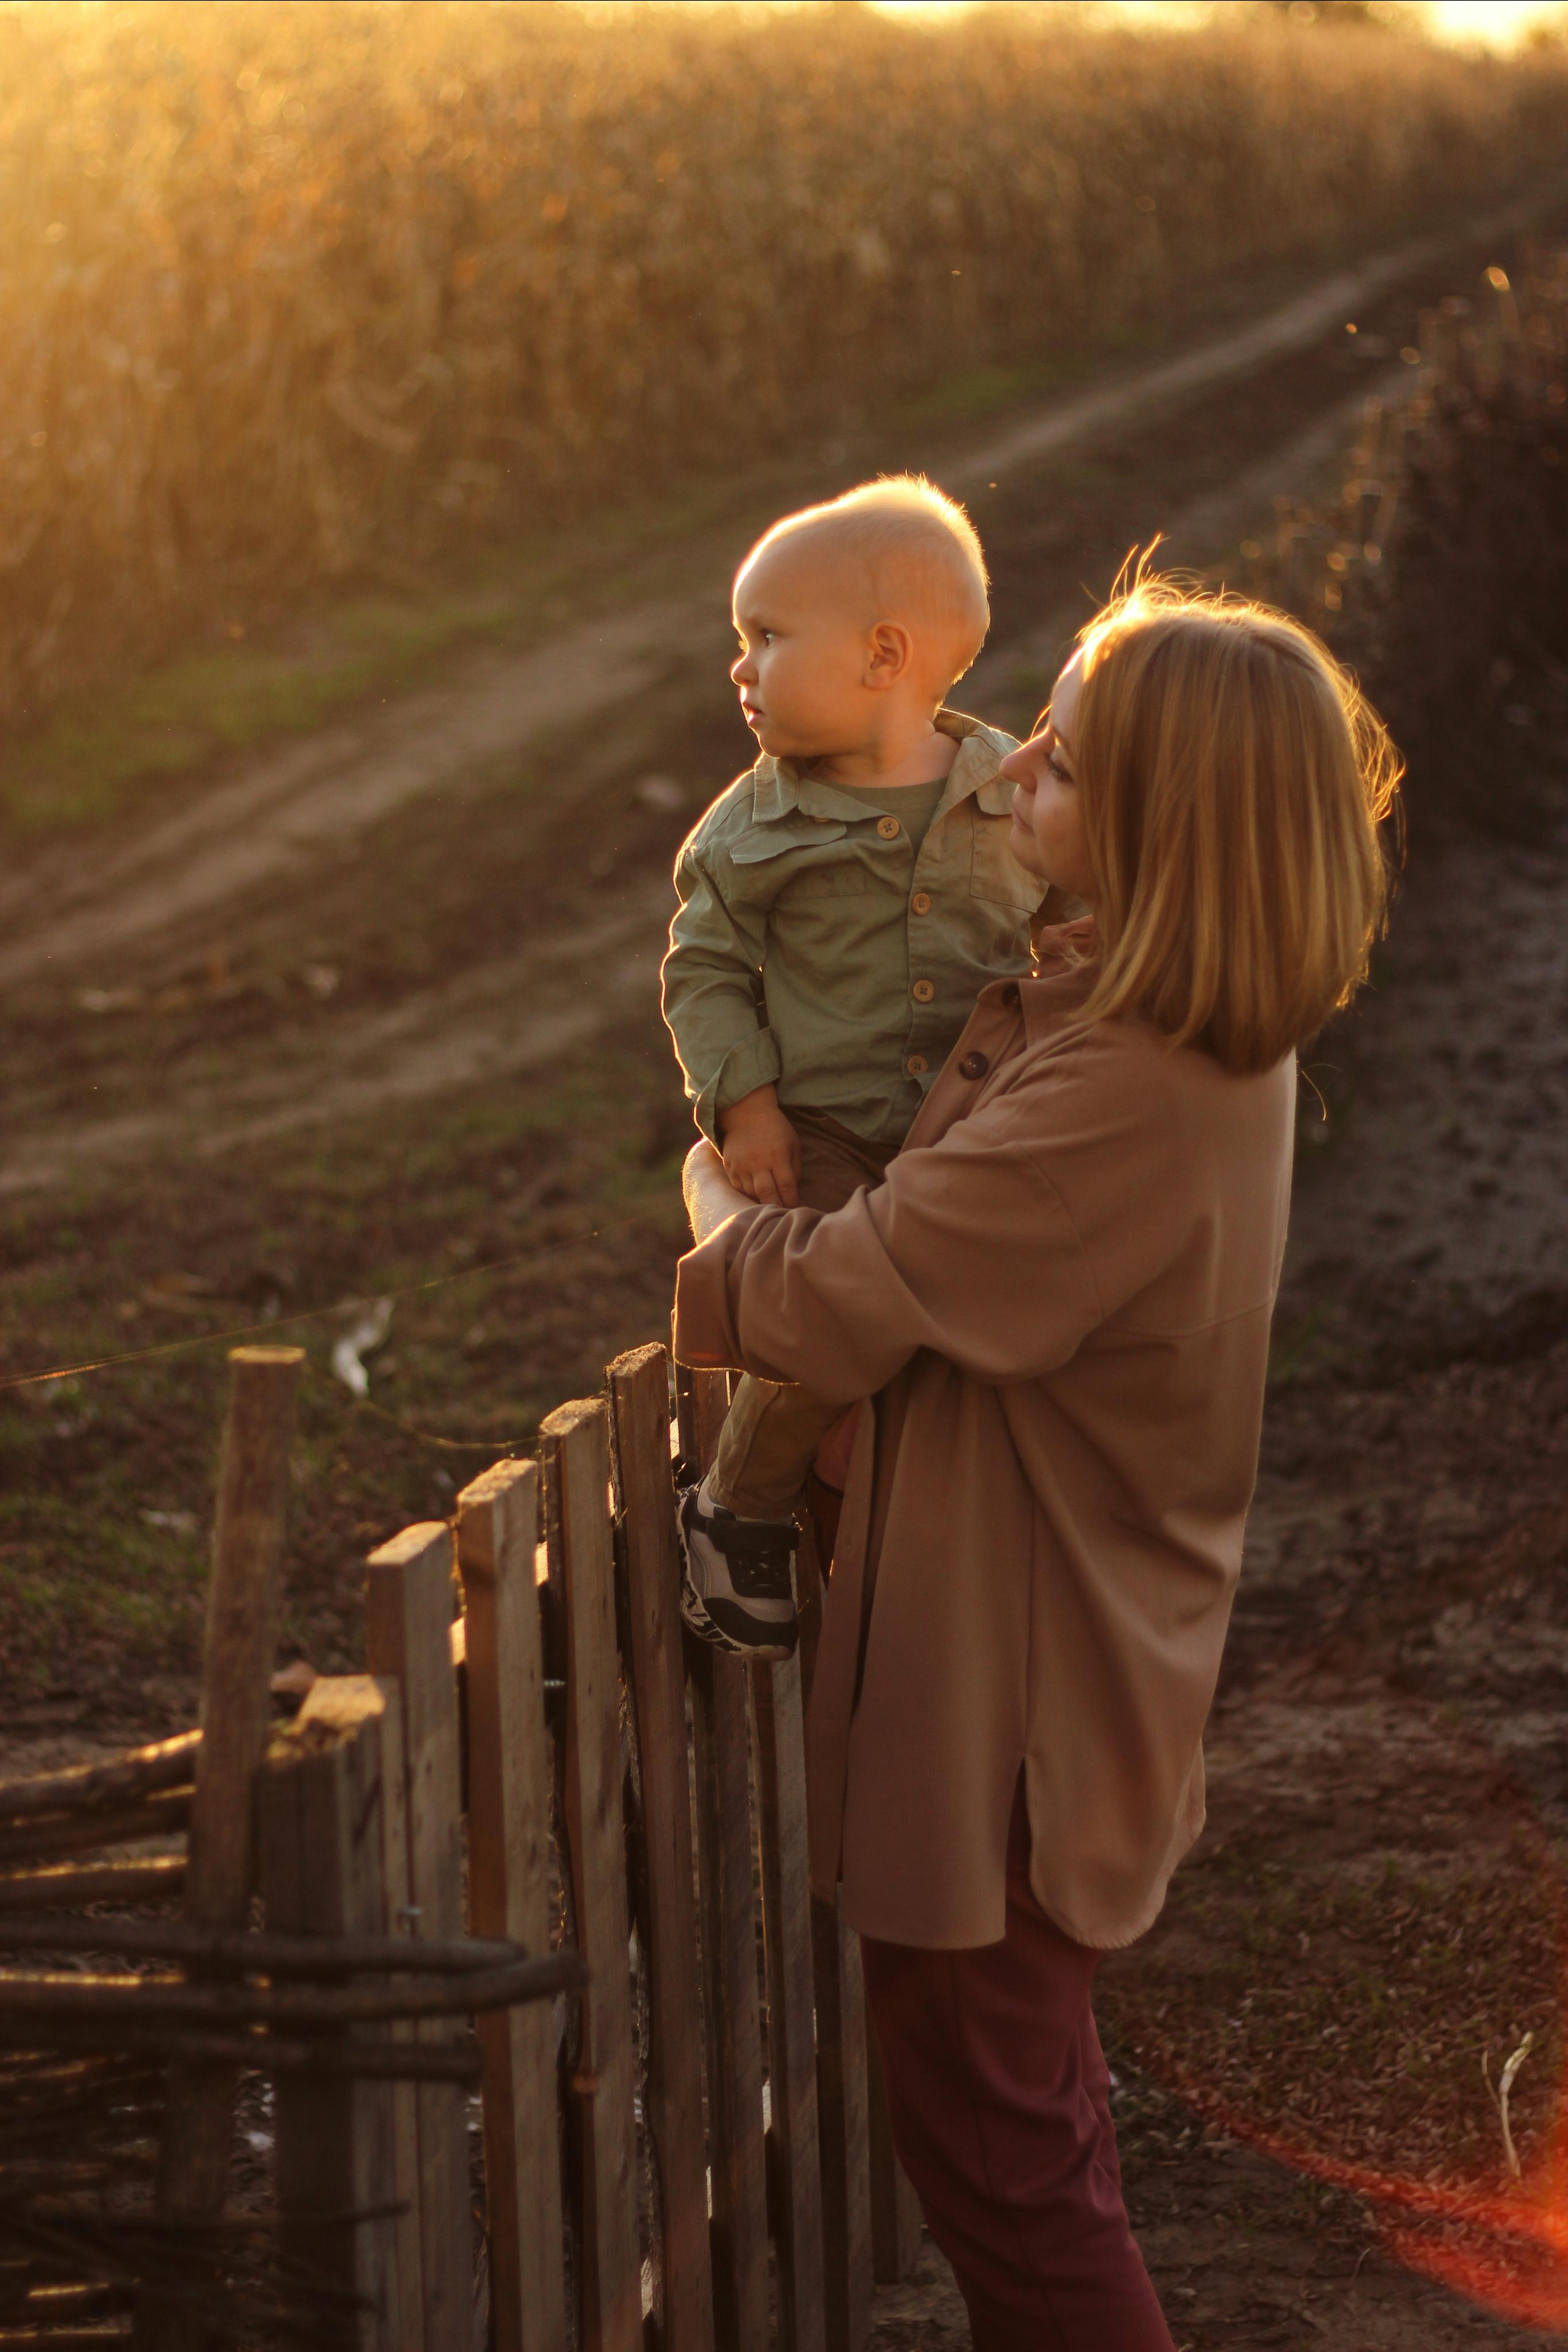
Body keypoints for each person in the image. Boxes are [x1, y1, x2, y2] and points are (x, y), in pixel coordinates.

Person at [673, 573, 1400, 2350]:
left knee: (1007, 2156)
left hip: (1022, 1680)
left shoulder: (1130, 1089)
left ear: (1161, 823)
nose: (1008, 785)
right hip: (1058, 1630)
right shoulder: (1133, 1029)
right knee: (1014, 2118)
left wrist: (713, 1198)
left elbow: (852, 1287)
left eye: (1060, 765)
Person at [660, 473, 1046, 1660]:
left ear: (884, 655)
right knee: (820, 1313)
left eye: (766, 639)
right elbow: (705, 972)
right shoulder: (749, 828)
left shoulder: (1013, 793)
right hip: (823, 1134)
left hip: (975, 1131)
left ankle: (952, 1543)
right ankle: (739, 1502)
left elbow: (1075, 928)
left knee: (986, 1336)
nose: (740, 669)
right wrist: (750, 1106)